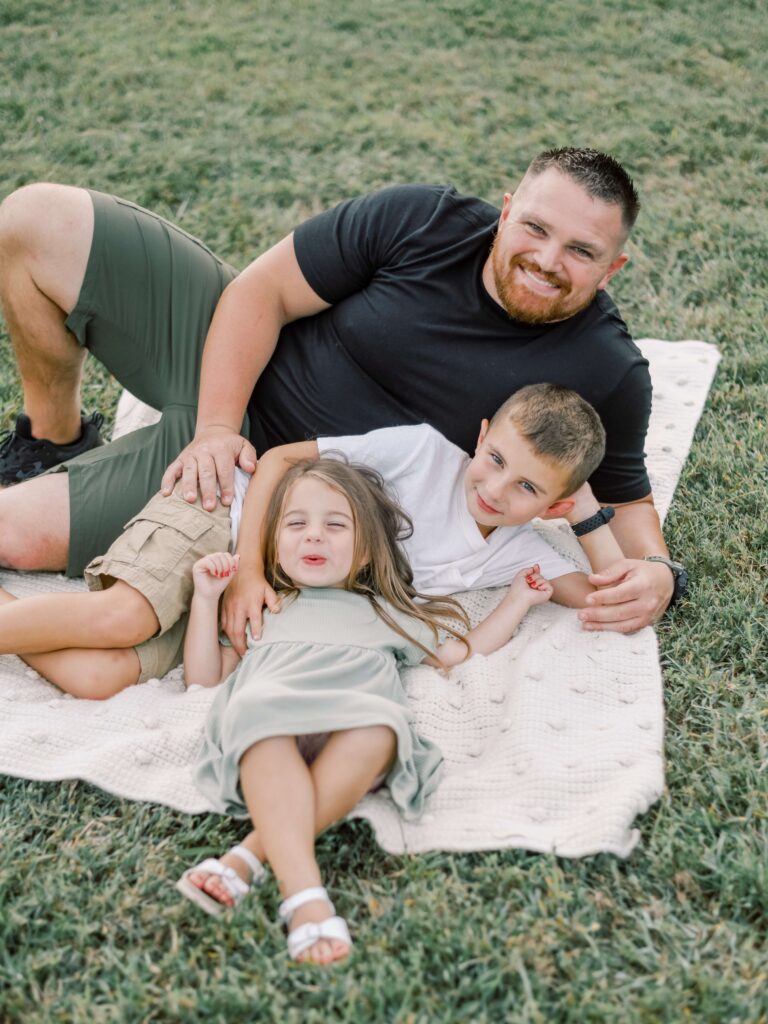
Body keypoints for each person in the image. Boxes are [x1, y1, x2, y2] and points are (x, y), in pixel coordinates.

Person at [0, 147, 684, 632]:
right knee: (35, 221)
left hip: (264, 486)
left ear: (612, 267)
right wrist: (215, 426)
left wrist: (657, 570)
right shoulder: (422, 221)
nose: (546, 260)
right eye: (536, 227)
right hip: (231, 366)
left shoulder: (607, 370)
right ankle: (52, 434)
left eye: (581, 251)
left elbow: (627, 499)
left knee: (15, 537)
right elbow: (261, 291)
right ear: (507, 211)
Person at [175, 457, 568, 964]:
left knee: (382, 728)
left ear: (365, 550)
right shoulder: (266, 606)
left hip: (355, 718)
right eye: (296, 524)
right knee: (256, 714)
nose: (314, 536)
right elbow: (204, 680)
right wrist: (207, 600)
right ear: (273, 542)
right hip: (268, 716)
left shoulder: (387, 612)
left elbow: (459, 652)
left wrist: (517, 601)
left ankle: (249, 854)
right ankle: (305, 899)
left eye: (335, 525)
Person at [0, 385, 618, 697]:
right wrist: (247, 570)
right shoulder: (424, 452)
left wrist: (586, 518)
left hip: (248, 610)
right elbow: (277, 461)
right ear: (480, 435)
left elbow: (609, 594)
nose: (496, 489)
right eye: (495, 458)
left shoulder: (520, 551)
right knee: (123, 616)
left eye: (528, 488)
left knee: (98, 677)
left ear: (555, 505)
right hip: (229, 521)